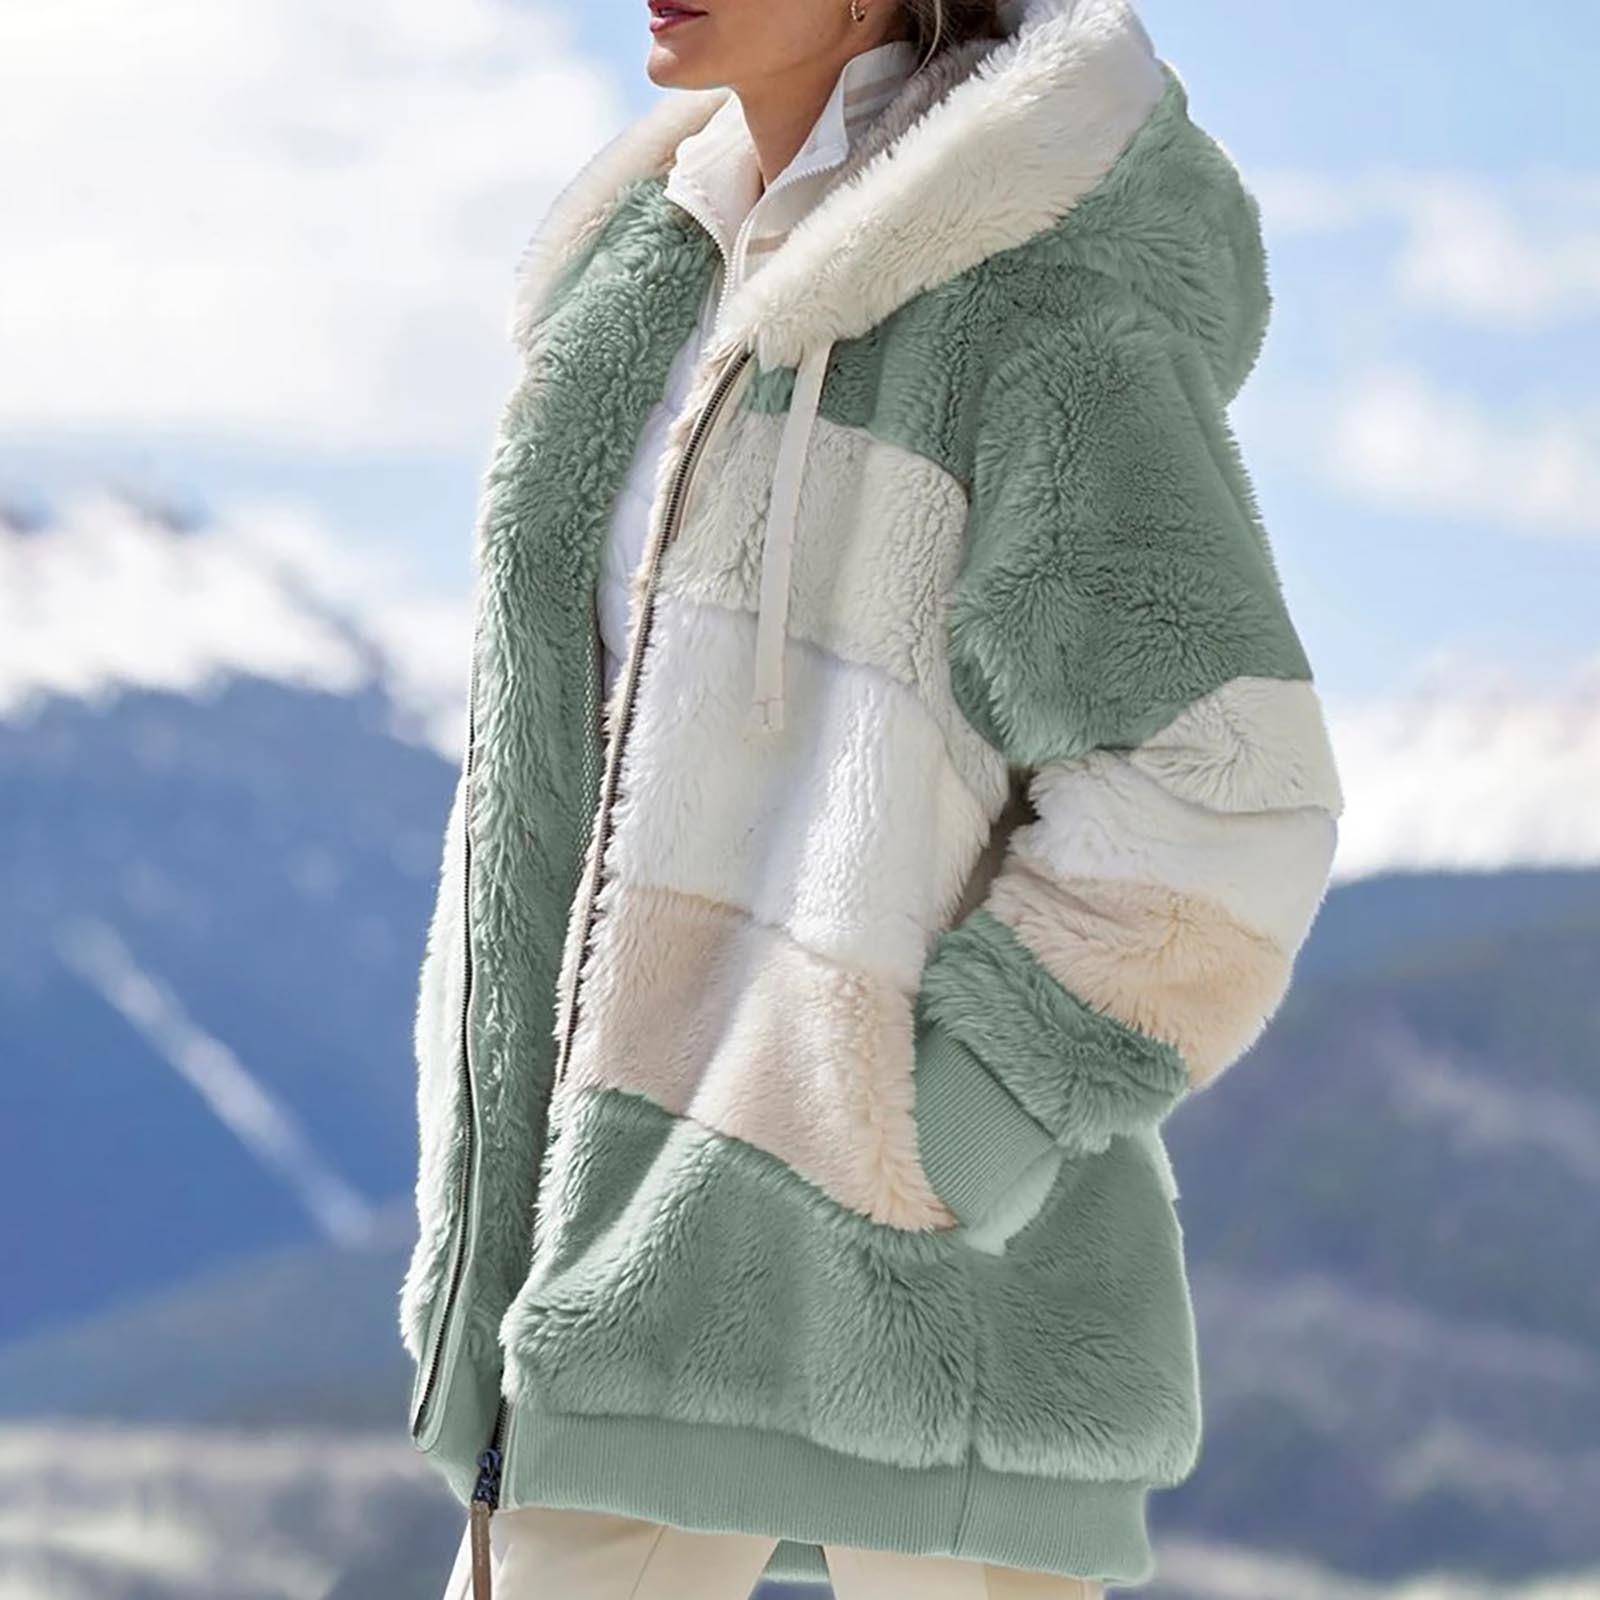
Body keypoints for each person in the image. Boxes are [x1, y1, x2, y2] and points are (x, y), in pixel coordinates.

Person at [401, 0, 1346, 1596]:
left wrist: (925, 1152)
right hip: (610, 1270)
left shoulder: (1038, 299)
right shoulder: (649, 285)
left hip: (934, 1303)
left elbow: (1227, 797)